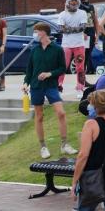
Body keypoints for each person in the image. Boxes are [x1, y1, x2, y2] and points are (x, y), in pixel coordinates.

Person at [23, 21, 75, 160]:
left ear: (44, 32)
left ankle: (64, 144)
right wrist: (25, 83)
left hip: (51, 85)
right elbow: (29, 70)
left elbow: (62, 68)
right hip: (36, 86)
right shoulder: (34, 49)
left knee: (61, 113)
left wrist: (49, 74)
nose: (34, 34)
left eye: (36, 31)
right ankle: (43, 146)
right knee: (39, 116)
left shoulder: (57, 49)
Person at [56, 0, 91, 93]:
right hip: (66, 45)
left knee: (80, 67)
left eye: (76, 2)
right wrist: (75, 29)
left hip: (79, 44)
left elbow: (83, 27)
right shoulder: (62, 14)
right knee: (63, 66)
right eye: (72, 2)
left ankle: (80, 87)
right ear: (68, 2)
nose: (74, 4)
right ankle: (59, 85)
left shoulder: (82, 13)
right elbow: (60, 29)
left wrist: (68, 28)